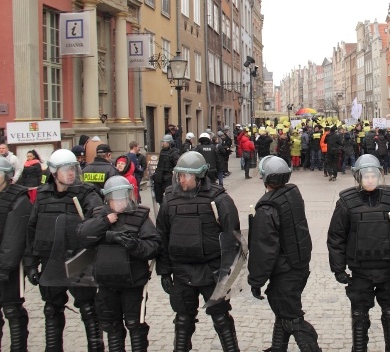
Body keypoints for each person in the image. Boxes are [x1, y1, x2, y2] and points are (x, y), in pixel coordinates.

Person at [327, 154, 390, 352]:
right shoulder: (346, 202)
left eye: (373, 175)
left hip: (388, 269)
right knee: (359, 315)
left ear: (379, 176)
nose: (370, 179)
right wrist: (338, 268)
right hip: (360, 272)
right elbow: (336, 237)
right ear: (358, 177)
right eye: (365, 176)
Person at [156, 152, 241, 352]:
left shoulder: (219, 200)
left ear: (200, 176)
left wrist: (228, 274)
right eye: (180, 175)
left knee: (220, 317)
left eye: (187, 175)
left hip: (211, 271)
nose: (182, 180)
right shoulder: (169, 199)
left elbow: (233, 237)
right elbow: (162, 236)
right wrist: (164, 271)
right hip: (182, 271)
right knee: (183, 320)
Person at [24, 149, 105, 351]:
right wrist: (31, 264)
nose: (71, 173)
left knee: (88, 308)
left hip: (79, 259)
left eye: (73, 169)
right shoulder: (42, 196)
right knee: (52, 309)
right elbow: (32, 231)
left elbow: (98, 222)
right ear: (54, 172)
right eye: (66, 169)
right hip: (50, 259)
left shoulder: (87, 193)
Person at [77, 176, 161, 352]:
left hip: (133, 283)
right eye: (117, 198)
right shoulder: (98, 214)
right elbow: (85, 237)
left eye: (124, 197)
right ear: (108, 199)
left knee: (135, 325)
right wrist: (107, 226)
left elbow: (153, 246)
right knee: (112, 327)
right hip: (106, 284)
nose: (121, 202)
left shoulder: (140, 216)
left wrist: (135, 245)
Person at [248, 156, 321, 351]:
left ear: (264, 178)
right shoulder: (292, 193)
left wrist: (256, 281)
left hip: (284, 272)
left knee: (292, 318)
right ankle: (277, 347)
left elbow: (263, 250)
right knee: (284, 312)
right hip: (299, 265)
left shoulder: (267, 209)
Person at [0, 157, 32, 350]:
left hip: (8, 269)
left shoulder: (18, 198)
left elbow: (14, 237)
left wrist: (4, 267)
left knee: (12, 310)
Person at [153, 134, 180, 204]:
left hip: (168, 177)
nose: (163, 144)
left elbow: (177, 165)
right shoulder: (162, 151)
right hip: (160, 177)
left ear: (169, 143)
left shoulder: (174, 152)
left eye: (164, 142)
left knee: (169, 195)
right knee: (158, 195)